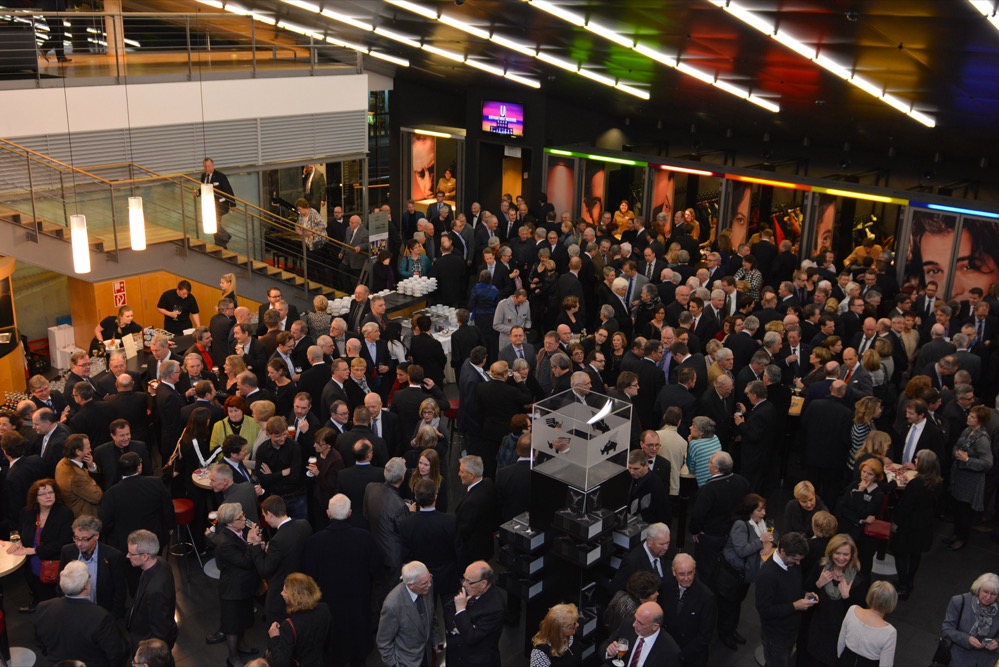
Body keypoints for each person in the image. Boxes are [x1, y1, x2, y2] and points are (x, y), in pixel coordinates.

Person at [34, 561, 129, 667]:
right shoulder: (100, 616)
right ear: (86, 586)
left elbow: (40, 642)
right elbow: (116, 653)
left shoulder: (43, 607)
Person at [716, 493, 773, 651]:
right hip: (732, 575)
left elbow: (770, 536)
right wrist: (761, 541)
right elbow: (742, 550)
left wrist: (767, 542)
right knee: (728, 607)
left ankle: (731, 630)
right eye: (760, 510)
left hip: (743, 575)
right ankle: (724, 634)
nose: (763, 513)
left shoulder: (758, 523)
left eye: (764, 509)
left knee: (736, 604)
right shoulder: (740, 525)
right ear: (750, 510)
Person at [9, 478, 74, 612]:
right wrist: (18, 543)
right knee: (35, 586)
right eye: (43, 494)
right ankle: (38, 603)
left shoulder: (65, 514)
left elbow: (63, 543)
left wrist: (33, 550)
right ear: (35, 498)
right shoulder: (27, 512)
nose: (48, 496)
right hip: (30, 562)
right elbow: (20, 531)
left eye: (51, 492)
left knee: (52, 596)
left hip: (52, 561)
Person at [754, 532, 818, 667]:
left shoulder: (793, 564)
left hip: (791, 629)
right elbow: (765, 611)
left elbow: (791, 589)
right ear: (782, 551)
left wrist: (804, 594)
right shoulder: (767, 575)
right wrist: (795, 606)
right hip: (776, 636)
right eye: (795, 559)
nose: (798, 563)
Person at [803, 534, 867, 666]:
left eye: (846, 554)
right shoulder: (820, 567)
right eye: (838, 553)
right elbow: (805, 596)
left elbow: (860, 615)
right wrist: (817, 585)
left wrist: (846, 597)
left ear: (852, 555)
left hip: (840, 635)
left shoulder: (858, 580)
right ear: (831, 552)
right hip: (818, 629)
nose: (841, 558)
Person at [248, 495, 313, 624]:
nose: (265, 519)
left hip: (283, 594)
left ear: (270, 515)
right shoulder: (304, 524)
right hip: (304, 587)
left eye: (264, 516)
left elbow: (264, 570)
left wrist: (255, 545)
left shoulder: (277, 541)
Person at [214, 502, 260, 667]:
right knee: (232, 625)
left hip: (244, 585)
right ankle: (233, 657)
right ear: (229, 523)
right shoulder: (225, 542)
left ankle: (242, 646)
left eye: (243, 514)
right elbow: (246, 562)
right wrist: (251, 543)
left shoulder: (240, 530)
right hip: (232, 589)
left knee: (243, 618)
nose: (244, 518)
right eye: (239, 517)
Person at [892, 449, 942, 599]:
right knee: (915, 554)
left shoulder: (916, 484)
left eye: (917, 460)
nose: (915, 461)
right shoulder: (937, 482)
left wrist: (895, 523)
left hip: (909, 526)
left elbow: (905, 507)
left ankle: (902, 585)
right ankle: (910, 581)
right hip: (924, 525)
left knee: (900, 553)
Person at [59, 514, 127, 620]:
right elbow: (61, 584)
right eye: (76, 538)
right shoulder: (67, 552)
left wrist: (112, 617)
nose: (79, 544)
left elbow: (120, 592)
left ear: (96, 536)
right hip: (73, 614)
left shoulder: (113, 556)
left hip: (102, 615)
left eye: (85, 539)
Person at [945, 404, 994, 551]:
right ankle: (956, 533)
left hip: (970, 481)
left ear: (980, 420)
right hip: (958, 477)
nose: (968, 417)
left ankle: (962, 538)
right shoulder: (967, 430)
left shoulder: (982, 439)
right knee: (957, 508)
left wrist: (967, 460)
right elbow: (956, 446)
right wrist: (957, 454)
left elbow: (987, 463)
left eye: (972, 417)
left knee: (965, 512)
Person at [376, 560, 442, 667]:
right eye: (425, 583)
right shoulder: (392, 605)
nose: (429, 584)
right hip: (408, 662)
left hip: (428, 655)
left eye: (430, 578)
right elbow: (383, 642)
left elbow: (431, 615)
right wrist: (395, 665)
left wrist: (437, 643)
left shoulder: (426, 583)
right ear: (411, 585)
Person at [660, 553, 717, 667]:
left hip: (691, 657)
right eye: (681, 574)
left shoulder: (706, 597)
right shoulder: (665, 585)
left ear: (694, 571)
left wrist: (681, 655)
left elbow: (705, 636)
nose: (686, 578)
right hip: (667, 649)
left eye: (690, 573)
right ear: (673, 572)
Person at [266, 573, 334, 667]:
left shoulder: (289, 626)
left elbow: (281, 663)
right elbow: (329, 642)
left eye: (285, 591)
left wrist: (274, 637)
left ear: (295, 597)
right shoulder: (324, 609)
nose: (281, 593)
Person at [126, 529, 178, 650]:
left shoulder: (155, 591)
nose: (127, 556)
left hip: (146, 643)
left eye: (131, 553)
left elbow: (161, 630)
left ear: (145, 556)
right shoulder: (160, 562)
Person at [447, 561, 505, 666]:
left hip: (476, 661)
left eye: (468, 581)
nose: (463, 584)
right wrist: (459, 628)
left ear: (483, 584)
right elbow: (449, 608)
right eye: (464, 578)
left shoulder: (495, 607)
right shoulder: (470, 586)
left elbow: (471, 637)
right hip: (455, 655)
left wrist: (460, 609)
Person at [941, 572, 999, 667]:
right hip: (959, 659)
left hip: (986, 661)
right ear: (978, 589)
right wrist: (967, 639)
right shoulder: (959, 601)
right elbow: (946, 629)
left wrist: (997, 642)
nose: (988, 597)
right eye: (985, 591)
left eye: (993, 594)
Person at [837, 580, 898, 667]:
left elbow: (841, 643)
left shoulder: (852, 610)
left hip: (845, 660)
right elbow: (886, 664)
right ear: (891, 603)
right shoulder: (890, 632)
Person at [602, 600, 682, 665]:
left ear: (655, 626)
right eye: (635, 618)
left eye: (640, 623)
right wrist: (609, 653)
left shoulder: (670, 651)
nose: (634, 624)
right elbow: (604, 646)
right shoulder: (628, 624)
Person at [54, 434, 102, 517]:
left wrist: (91, 467)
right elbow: (97, 496)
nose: (90, 450)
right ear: (78, 452)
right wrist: (91, 480)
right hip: (84, 517)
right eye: (88, 448)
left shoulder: (62, 462)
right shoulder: (76, 476)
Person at [604, 570, 661, 635]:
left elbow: (606, 619)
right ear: (643, 595)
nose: (657, 593)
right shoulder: (639, 617)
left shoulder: (619, 595)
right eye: (654, 592)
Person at [199, 158, 236, 247]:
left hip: (220, 205)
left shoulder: (220, 176)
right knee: (214, 225)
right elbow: (203, 188)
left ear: (213, 166)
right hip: (209, 205)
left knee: (215, 225)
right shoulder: (203, 176)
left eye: (209, 166)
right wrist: (197, 193)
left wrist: (233, 204)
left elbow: (228, 190)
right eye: (205, 166)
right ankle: (220, 245)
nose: (207, 168)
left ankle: (225, 237)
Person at [530, 602, 581, 667]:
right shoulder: (540, 653)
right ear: (559, 630)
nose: (577, 625)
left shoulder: (571, 635)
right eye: (573, 625)